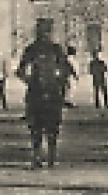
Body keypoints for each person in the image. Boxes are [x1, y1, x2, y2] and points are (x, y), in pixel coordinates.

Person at [17, 18, 74, 169]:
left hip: (53, 93)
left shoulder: (56, 50)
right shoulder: (31, 50)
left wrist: (60, 80)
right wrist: (29, 81)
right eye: (42, 31)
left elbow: (66, 69)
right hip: (36, 93)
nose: (45, 35)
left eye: (47, 31)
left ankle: (51, 157)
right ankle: (37, 157)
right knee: (36, 127)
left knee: (52, 127)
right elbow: (20, 71)